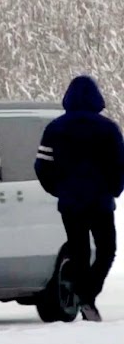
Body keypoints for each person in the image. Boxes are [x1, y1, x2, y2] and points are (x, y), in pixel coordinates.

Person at [35, 75, 124, 322]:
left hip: (71, 202)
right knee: (107, 250)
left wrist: (57, 189)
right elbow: (120, 164)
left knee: (79, 251)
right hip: (100, 201)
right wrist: (114, 189)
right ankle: (88, 296)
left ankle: (83, 295)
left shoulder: (55, 128)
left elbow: (42, 165)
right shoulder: (108, 129)